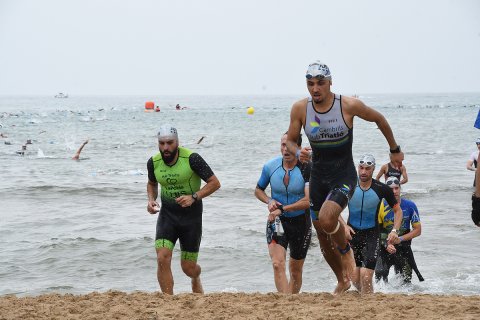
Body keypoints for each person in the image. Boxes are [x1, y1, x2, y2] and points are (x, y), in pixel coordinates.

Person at [286, 60, 403, 293]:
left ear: (330, 83)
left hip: (343, 174)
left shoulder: (347, 105)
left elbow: (378, 119)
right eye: (310, 84)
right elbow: (290, 140)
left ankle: (346, 250)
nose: (315, 88)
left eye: (320, 83)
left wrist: (394, 149)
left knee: (329, 219)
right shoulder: (301, 109)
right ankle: (342, 277)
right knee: (321, 231)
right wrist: (299, 153)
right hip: (319, 176)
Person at [146, 124, 220, 294]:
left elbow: (215, 183)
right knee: (162, 257)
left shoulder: (192, 159)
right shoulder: (153, 162)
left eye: (170, 143)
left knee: (188, 268)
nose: (166, 147)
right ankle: (168, 301)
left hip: (191, 219)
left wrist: (194, 197)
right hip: (168, 216)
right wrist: (151, 200)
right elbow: (152, 184)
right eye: (162, 143)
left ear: (177, 142)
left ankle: (196, 278)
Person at [254, 132, 312, 294]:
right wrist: (269, 201)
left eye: (289, 145)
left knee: (295, 271)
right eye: (282, 145)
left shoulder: (306, 168)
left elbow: (308, 201)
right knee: (277, 264)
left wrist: (283, 209)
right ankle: (285, 303)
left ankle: (292, 300)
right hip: (277, 222)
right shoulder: (270, 167)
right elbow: (258, 190)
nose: (285, 149)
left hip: (301, 222)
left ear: (298, 148)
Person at [345, 154, 402, 294]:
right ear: (358, 168)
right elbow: (333, 207)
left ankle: (368, 303)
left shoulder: (381, 188)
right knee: (354, 278)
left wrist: (394, 230)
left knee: (366, 276)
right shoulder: (349, 185)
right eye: (361, 168)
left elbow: (398, 211)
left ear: (373, 169)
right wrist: (343, 225)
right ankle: (364, 296)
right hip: (352, 233)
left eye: (368, 168)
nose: (364, 172)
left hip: (371, 234)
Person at [375, 176, 423, 284]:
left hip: (403, 248)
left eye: (397, 188)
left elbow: (418, 230)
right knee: (380, 277)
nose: (394, 191)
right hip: (384, 248)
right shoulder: (379, 207)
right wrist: (386, 245)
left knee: (406, 281)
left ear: (400, 188)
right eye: (391, 189)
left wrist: (400, 239)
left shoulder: (410, 206)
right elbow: (376, 232)